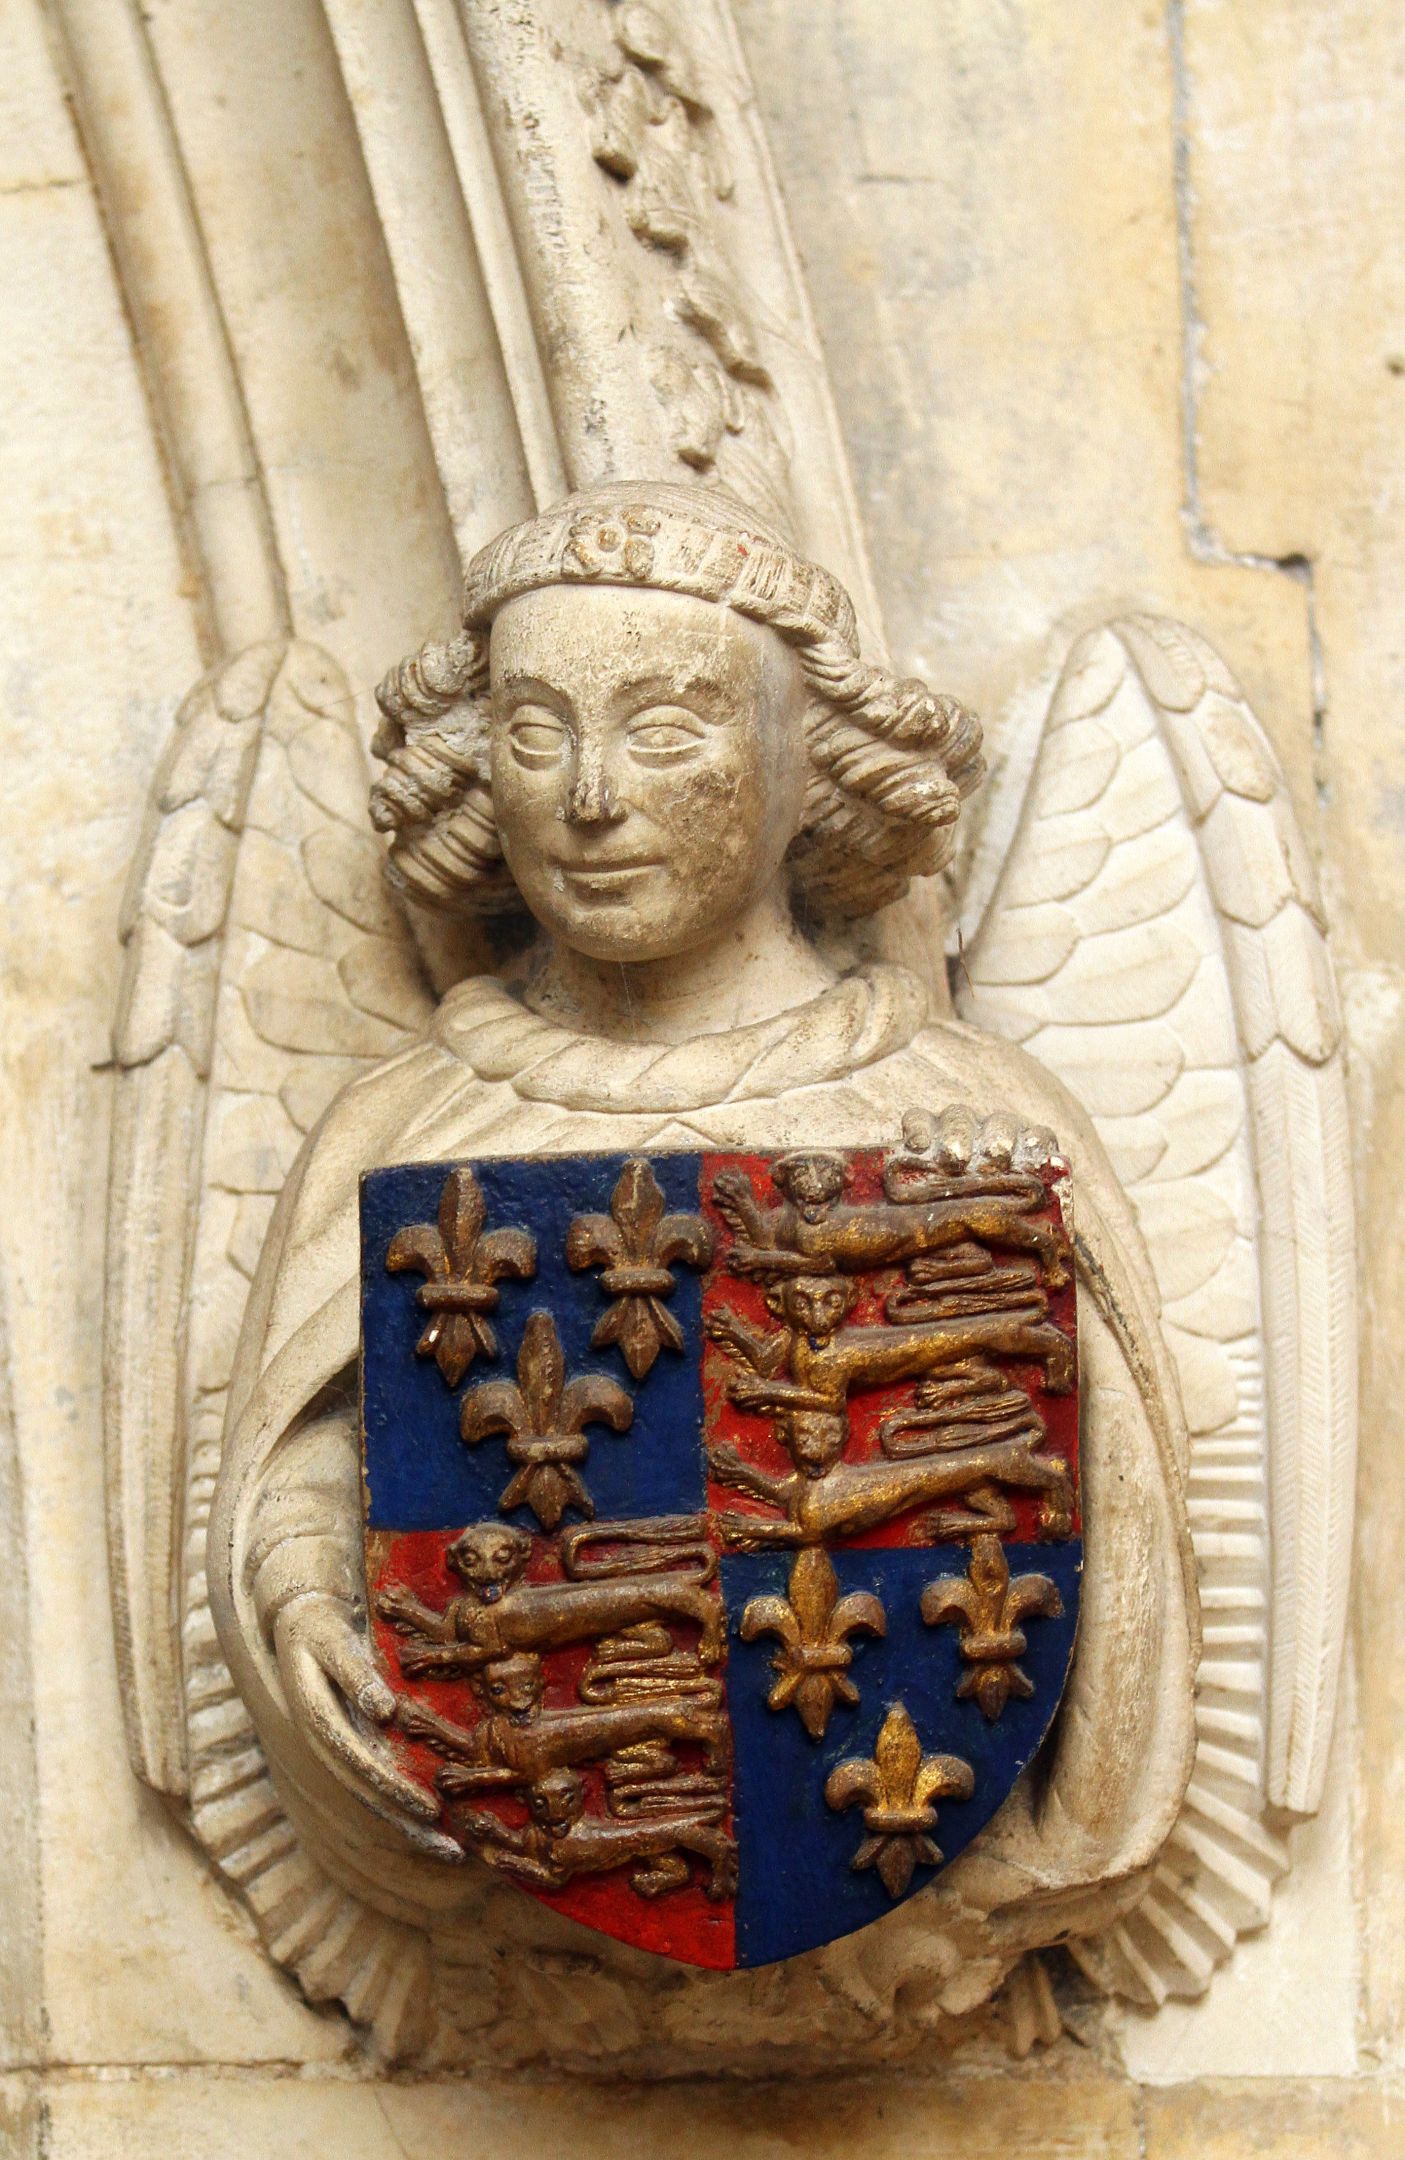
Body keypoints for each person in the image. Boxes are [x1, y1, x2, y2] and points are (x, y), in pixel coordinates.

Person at [208, 479, 1195, 1973]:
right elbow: (314, 1450)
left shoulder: (961, 1114)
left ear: (810, 762)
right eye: (534, 734)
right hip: (517, 1894)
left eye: (667, 730)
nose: (590, 796)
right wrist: (298, 1601)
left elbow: (1117, 1531)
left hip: (907, 1896)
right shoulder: (404, 1128)